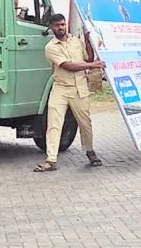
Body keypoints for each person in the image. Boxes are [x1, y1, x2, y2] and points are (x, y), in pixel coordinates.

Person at [34, 13, 105, 173]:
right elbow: (68, 66)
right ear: (51, 28)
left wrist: (87, 40)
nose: (61, 27)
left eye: (63, 24)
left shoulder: (76, 42)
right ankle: (51, 160)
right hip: (61, 88)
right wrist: (93, 65)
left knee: (85, 123)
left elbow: (88, 58)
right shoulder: (51, 47)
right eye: (57, 25)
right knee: (54, 124)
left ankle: (90, 151)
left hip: (79, 88)